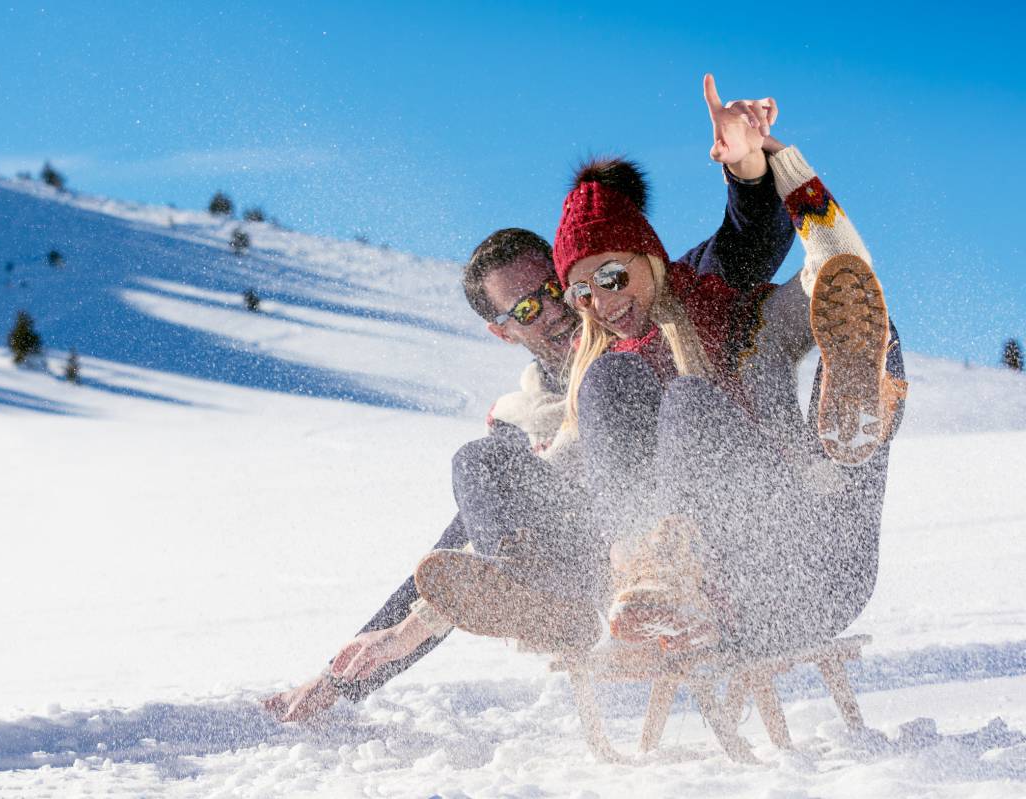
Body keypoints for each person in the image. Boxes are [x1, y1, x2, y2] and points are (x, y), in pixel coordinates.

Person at [263, 75, 795, 722]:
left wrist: (747, 165)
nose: (554, 308)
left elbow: (750, 240)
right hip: (599, 572)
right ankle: (559, 611)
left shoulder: (655, 299)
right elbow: (461, 560)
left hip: (710, 543)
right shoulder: (523, 420)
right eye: (524, 306)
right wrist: (344, 675)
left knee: (614, 384)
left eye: (553, 285)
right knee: (477, 465)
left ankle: (654, 585)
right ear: (503, 330)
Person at [420, 120, 907, 660]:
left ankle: (858, 389)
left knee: (690, 399)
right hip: (656, 607)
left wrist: (779, 161)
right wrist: (415, 624)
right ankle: (557, 601)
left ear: (647, 255)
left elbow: (840, 272)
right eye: (581, 292)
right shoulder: (601, 371)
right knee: (484, 461)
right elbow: (557, 478)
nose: (599, 304)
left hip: (791, 571)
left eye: (610, 279)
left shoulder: (730, 310)